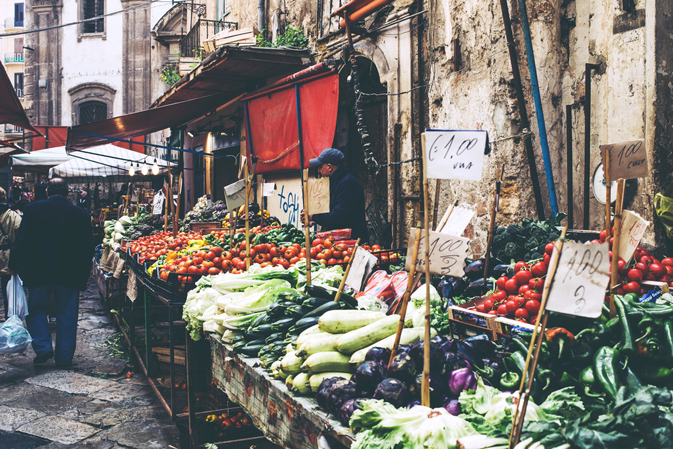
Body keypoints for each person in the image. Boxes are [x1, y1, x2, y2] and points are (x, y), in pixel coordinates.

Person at [9, 178, 94, 367]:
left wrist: (13, 263)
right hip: (69, 274)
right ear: (66, 193)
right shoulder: (81, 214)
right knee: (67, 314)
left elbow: (21, 240)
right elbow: (88, 248)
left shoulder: (32, 210)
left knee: (37, 310)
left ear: (47, 192)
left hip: (38, 271)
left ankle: (43, 347)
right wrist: (84, 275)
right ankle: (64, 358)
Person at [301, 148, 369, 242]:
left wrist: (314, 216)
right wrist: (315, 220)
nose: (319, 171)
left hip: (353, 241)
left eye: (320, 167)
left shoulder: (348, 183)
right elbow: (331, 210)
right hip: (341, 240)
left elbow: (339, 216)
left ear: (329, 167)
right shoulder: (335, 182)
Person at [0, 188, 21, 320]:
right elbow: (21, 234)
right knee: (7, 290)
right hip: (8, 257)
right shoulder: (13, 216)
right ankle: (9, 316)